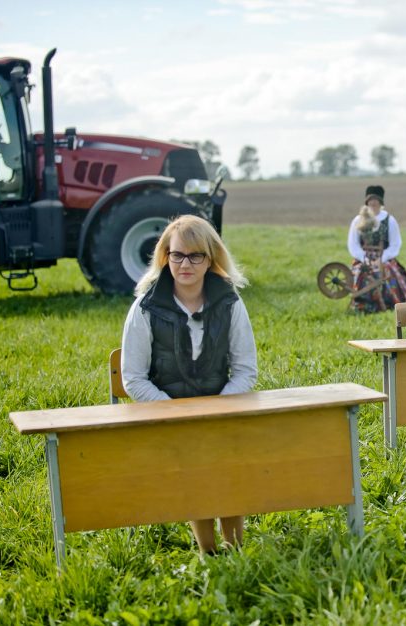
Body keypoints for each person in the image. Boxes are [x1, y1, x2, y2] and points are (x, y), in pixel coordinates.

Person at [121, 214, 258, 554]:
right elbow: (133, 378)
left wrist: (218, 410)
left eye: (196, 256)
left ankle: (236, 548)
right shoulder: (145, 306)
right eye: (178, 255)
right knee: (195, 462)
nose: (186, 264)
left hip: (223, 412)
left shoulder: (230, 302)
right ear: (165, 257)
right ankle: (208, 552)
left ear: (210, 259)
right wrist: (177, 412)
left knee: (227, 461)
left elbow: (245, 370)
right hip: (167, 414)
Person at [346, 185, 406, 312]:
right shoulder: (358, 220)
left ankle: (392, 304)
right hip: (363, 259)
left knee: (389, 272)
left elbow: (395, 244)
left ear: (380, 203)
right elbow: (353, 244)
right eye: (370, 203)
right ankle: (363, 305)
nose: (373, 205)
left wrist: (382, 258)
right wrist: (364, 258)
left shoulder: (389, 220)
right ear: (367, 203)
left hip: (385, 258)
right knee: (360, 272)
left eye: (375, 203)